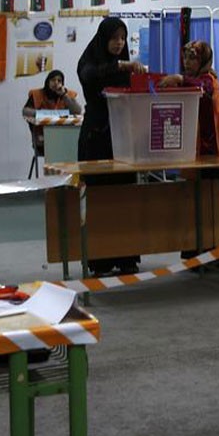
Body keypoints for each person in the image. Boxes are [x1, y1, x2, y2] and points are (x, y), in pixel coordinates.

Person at [76, 17, 145, 276]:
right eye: (114, 38)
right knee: (99, 200)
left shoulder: (128, 68)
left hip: (123, 139)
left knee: (125, 197)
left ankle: (127, 256)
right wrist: (121, 65)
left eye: (123, 38)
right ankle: (100, 260)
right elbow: (89, 75)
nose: (119, 43)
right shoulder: (90, 62)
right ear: (104, 39)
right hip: (96, 138)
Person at [158, 40, 219, 158]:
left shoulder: (209, 79)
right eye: (185, 58)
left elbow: (203, 87)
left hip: (212, 144)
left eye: (192, 58)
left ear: (203, 61)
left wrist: (179, 79)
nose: (186, 62)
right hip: (196, 141)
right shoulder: (189, 79)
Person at [22, 69, 82, 154]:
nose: (56, 83)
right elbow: (26, 111)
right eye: (53, 80)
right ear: (48, 82)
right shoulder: (37, 94)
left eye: (59, 80)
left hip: (66, 139)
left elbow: (77, 111)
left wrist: (64, 95)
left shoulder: (68, 94)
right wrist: (45, 114)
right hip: (43, 141)